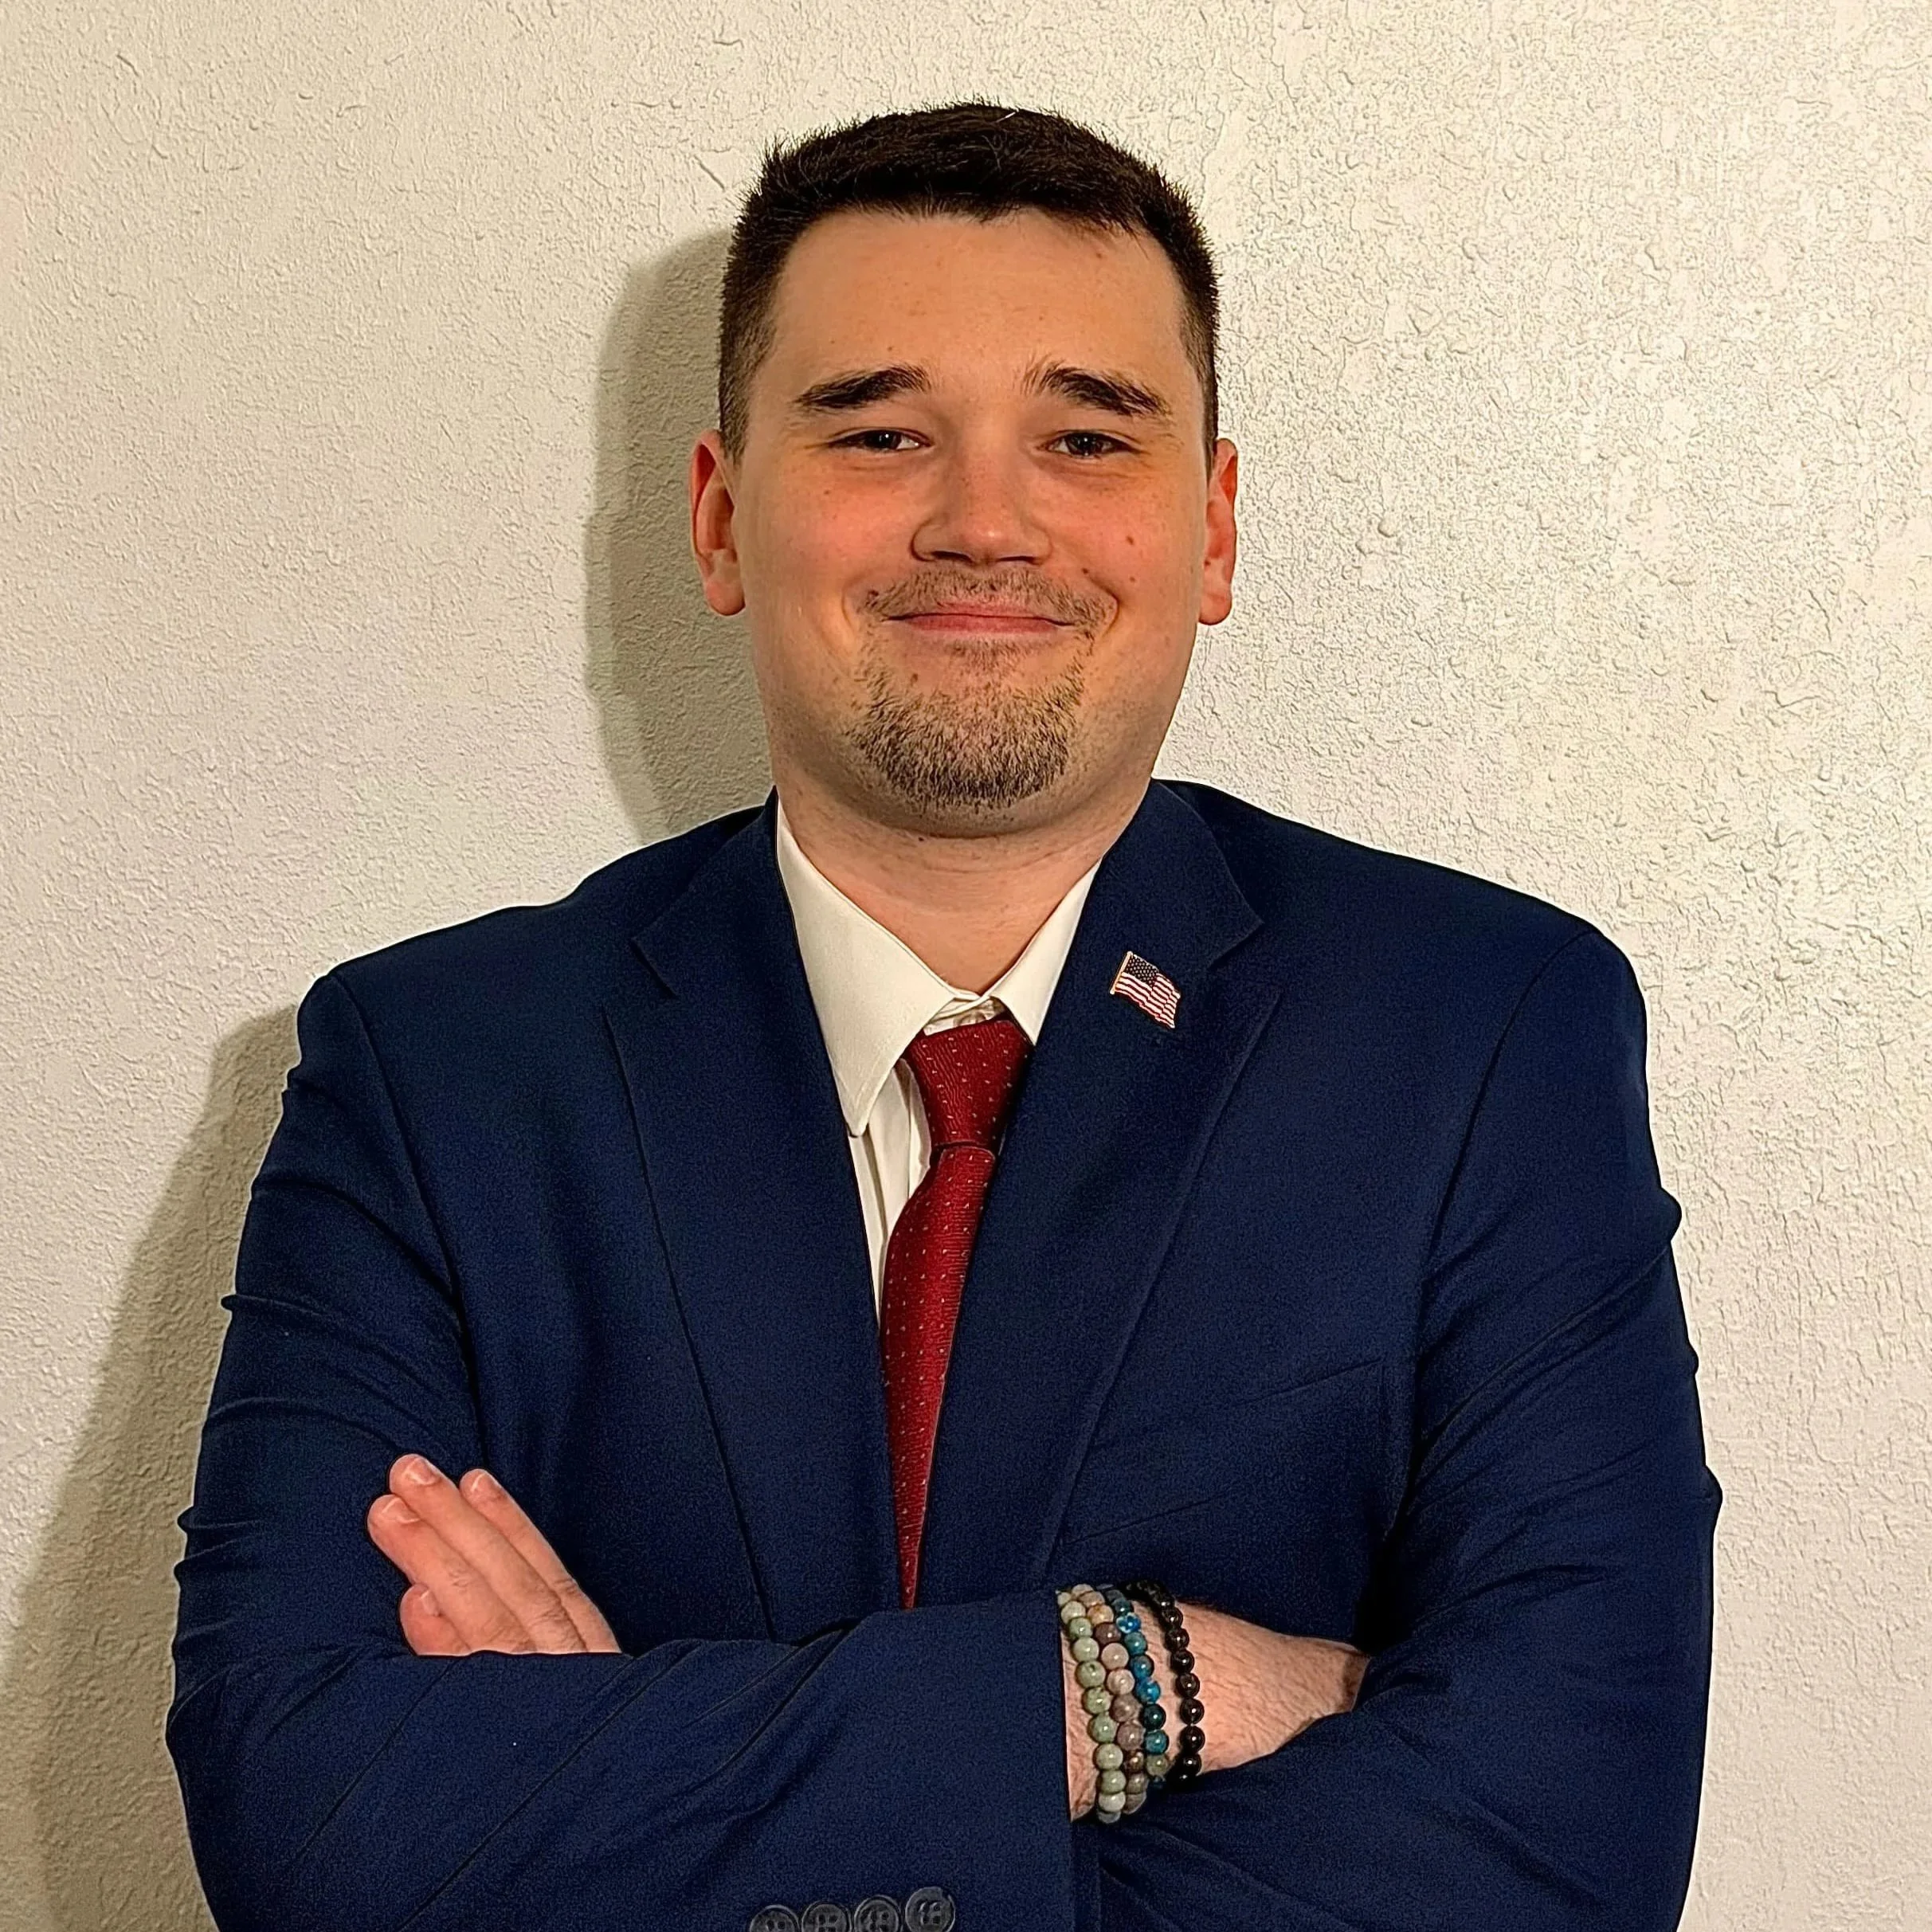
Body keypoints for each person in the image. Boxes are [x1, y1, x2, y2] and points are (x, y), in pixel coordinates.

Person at [168, 102, 1720, 1932]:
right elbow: (304, 1820)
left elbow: (1561, 1847)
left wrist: (608, 1807)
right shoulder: (432, 1072)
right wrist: (1109, 1686)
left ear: (1210, 529)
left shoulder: (1485, 1036)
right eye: (883, 430)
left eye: (1085, 436)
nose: (986, 520)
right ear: (723, 516)